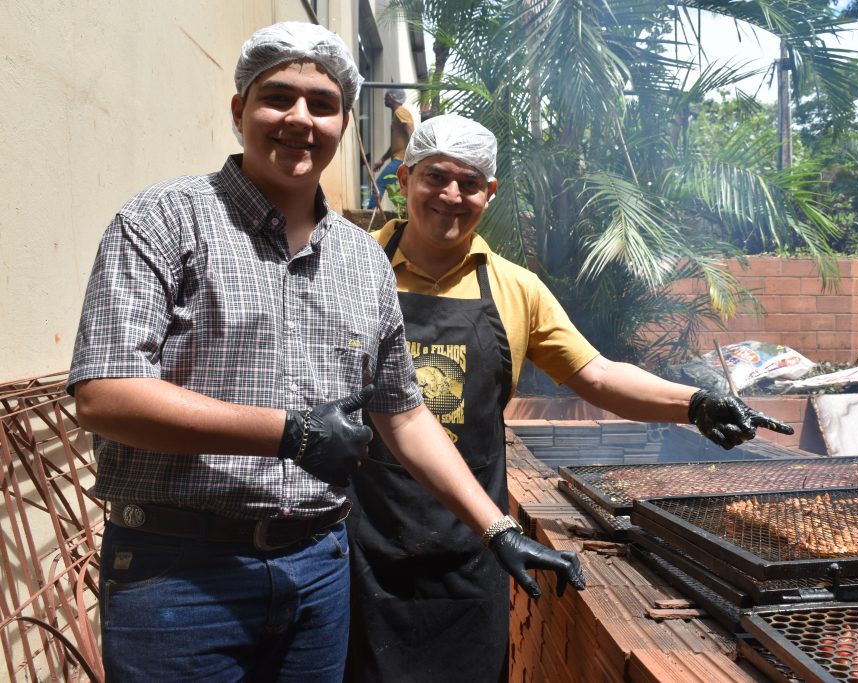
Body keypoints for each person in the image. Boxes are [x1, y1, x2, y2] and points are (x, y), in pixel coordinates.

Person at [68, 23, 583, 682]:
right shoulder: (165, 220)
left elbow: (403, 413)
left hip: (318, 569)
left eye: (322, 104)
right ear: (239, 111)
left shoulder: (363, 261)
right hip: (179, 571)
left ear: (343, 124)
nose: (299, 119)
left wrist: (496, 526)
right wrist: (292, 433)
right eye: (278, 97)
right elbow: (104, 394)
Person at [345, 114, 795, 682]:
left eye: (469, 183)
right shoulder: (350, 268)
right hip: (360, 543)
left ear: (491, 192)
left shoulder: (516, 288)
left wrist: (696, 403)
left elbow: (597, 376)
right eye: (436, 177)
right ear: (405, 179)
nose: (451, 196)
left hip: (476, 545)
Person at [366, 88, 414, 209]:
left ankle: (371, 213)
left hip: (401, 159)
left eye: (386, 96)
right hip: (399, 158)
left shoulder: (400, 111)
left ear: (392, 98)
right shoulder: (396, 113)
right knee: (401, 191)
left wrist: (412, 153)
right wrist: (383, 159)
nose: (384, 98)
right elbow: (394, 145)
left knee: (379, 185)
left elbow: (410, 129)